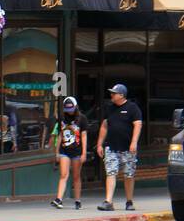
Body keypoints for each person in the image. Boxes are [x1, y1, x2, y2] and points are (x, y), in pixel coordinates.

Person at [96, 83, 143, 212]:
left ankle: (129, 201)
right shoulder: (109, 108)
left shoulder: (133, 108)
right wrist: (100, 143)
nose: (111, 95)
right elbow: (104, 126)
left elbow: (138, 125)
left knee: (128, 174)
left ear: (121, 95)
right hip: (111, 147)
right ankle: (108, 201)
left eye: (114, 93)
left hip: (128, 148)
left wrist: (134, 142)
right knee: (110, 172)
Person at [47, 96, 88, 210]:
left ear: (75, 107)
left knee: (76, 176)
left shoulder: (82, 119)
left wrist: (84, 153)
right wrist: (57, 152)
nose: (69, 111)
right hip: (64, 150)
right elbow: (60, 135)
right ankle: (59, 199)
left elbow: (84, 136)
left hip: (77, 151)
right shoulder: (62, 119)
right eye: (67, 108)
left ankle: (77, 200)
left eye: (71, 108)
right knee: (64, 174)